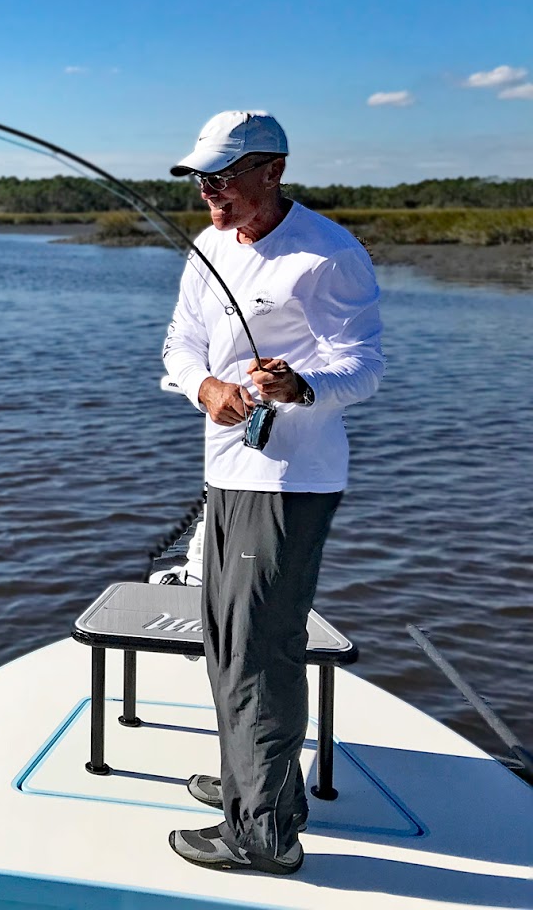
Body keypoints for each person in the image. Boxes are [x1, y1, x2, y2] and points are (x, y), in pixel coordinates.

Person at [159, 110, 383, 875]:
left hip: (292, 482)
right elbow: (181, 343)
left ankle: (264, 835)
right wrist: (205, 388)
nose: (209, 194)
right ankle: (249, 786)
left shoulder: (329, 255)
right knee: (225, 641)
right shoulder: (211, 246)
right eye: (200, 180)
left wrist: (303, 384)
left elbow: (366, 367)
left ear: (272, 171)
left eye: (222, 178)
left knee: (263, 650)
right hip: (225, 472)